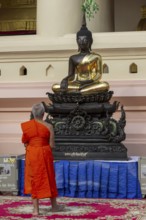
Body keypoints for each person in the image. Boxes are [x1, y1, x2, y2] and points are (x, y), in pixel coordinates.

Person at [21, 103, 64, 215]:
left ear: (32, 114)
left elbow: (25, 142)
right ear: (43, 114)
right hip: (45, 154)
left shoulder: (27, 126)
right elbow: (52, 145)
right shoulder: (49, 126)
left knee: (33, 178)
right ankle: (54, 206)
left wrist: (33, 146)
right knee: (49, 177)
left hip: (32, 154)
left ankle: (36, 210)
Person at [52, 15, 109, 95]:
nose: (82, 42)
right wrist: (65, 79)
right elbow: (71, 76)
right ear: (77, 41)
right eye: (79, 40)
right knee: (55, 87)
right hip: (77, 84)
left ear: (90, 41)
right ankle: (82, 92)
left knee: (105, 85)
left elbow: (98, 76)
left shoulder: (96, 57)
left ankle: (79, 92)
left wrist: (88, 82)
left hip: (91, 84)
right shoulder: (73, 58)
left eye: (85, 40)